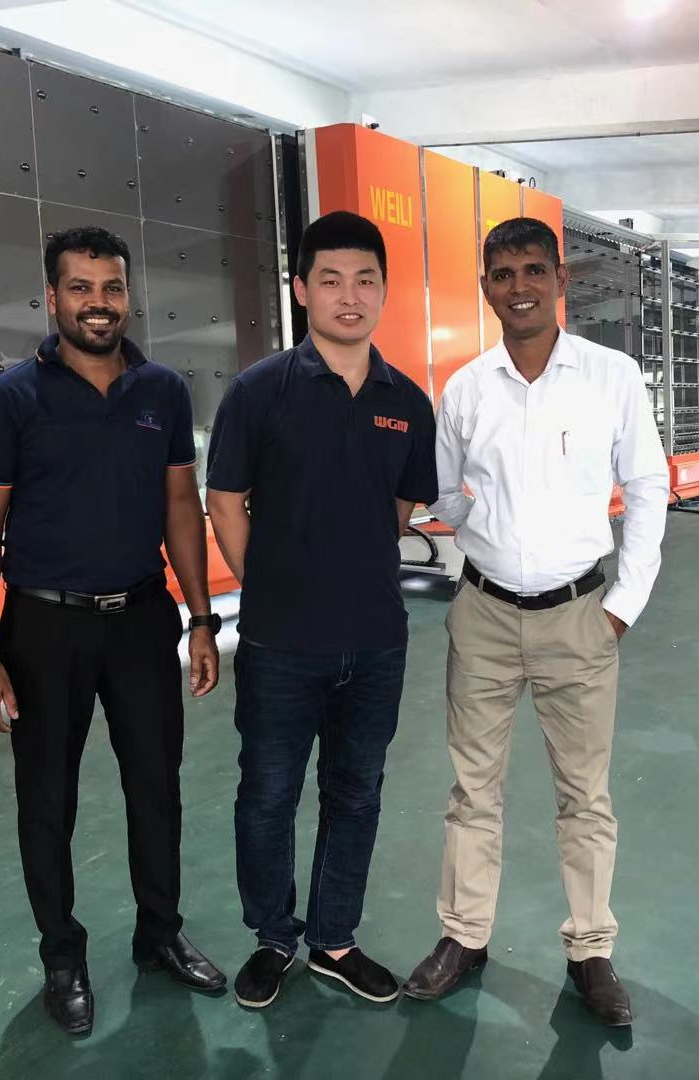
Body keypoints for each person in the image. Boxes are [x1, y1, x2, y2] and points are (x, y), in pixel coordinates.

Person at [0, 225, 226, 1037]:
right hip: (44, 626)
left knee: (156, 785)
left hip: (142, 618)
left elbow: (180, 506)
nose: (98, 303)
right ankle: (62, 958)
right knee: (47, 799)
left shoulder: (162, 392)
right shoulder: (12, 398)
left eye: (111, 288)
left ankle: (159, 935)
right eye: (81, 288)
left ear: (127, 296)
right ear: (52, 298)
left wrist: (201, 617)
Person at [402, 217, 669, 1027]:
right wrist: (470, 522)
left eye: (532, 271)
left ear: (560, 280)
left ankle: (590, 950)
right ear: (486, 286)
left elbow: (648, 486)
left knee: (584, 795)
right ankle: (464, 937)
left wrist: (622, 606)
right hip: (482, 615)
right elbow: (441, 493)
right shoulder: (465, 388)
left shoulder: (611, 377)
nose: (518, 287)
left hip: (579, 616)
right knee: (471, 791)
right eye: (503, 274)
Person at [206, 211, 438, 1010]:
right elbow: (224, 500)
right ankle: (273, 937)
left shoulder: (407, 402)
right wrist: (272, 583)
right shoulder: (259, 391)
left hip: (375, 640)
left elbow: (401, 506)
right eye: (331, 280)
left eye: (365, 280)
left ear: (384, 292)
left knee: (357, 792)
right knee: (268, 794)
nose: (350, 296)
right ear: (301, 289)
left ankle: (335, 939)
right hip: (281, 643)